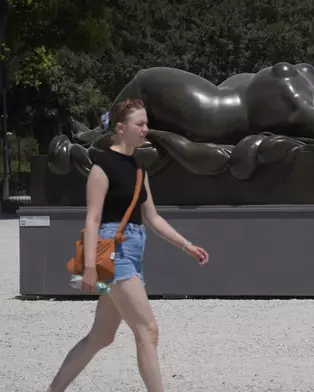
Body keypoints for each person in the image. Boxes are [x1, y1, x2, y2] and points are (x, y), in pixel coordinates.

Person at [46, 99, 210, 392]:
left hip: (133, 252)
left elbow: (153, 218)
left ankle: (54, 389)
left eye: (146, 124)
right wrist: (89, 268)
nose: (146, 129)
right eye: (140, 124)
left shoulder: (139, 170)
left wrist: (187, 245)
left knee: (101, 338)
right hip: (114, 253)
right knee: (147, 330)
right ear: (120, 128)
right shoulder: (102, 167)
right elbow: (93, 218)